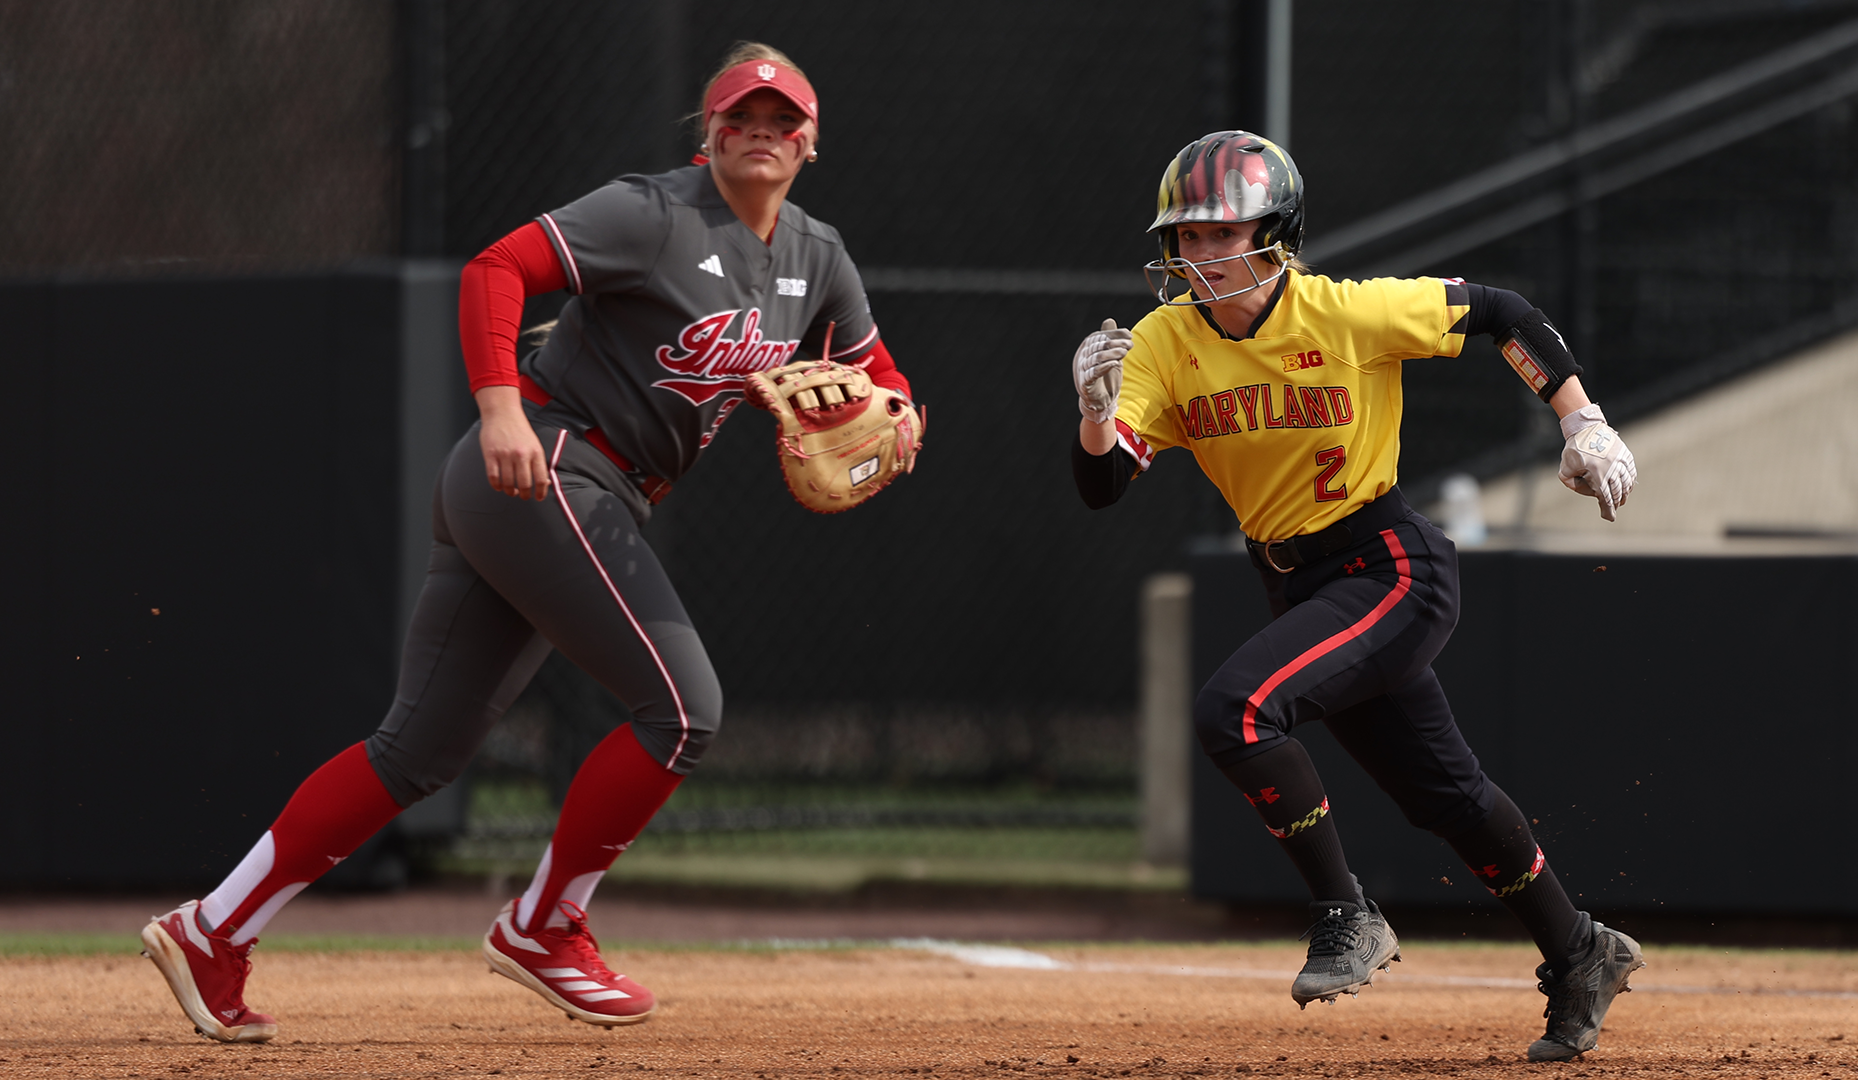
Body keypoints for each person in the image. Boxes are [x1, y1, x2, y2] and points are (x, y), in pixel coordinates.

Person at [140, 42, 918, 1042]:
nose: (760, 131)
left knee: (415, 750)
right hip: (545, 465)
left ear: (811, 142)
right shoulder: (654, 211)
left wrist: (899, 418)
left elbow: (882, 375)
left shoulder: (819, 255)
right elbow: (496, 268)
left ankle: (214, 927)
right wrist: (500, 408)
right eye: (739, 116)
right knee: (683, 709)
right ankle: (545, 928)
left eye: (782, 120)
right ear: (708, 130)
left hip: (578, 492)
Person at [1069, 131, 1640, 1063]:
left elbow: (1502, 312)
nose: (1203, 254)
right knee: (1448, 798)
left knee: (1237, 713)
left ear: (1279, 232)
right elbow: (1104, 485)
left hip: (1388, 564)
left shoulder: (1343, 314)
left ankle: (1346, 914)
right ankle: (1583, 951)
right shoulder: (1165, 343)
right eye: (1189, 238)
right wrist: (1095, 421)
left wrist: (1580, 418)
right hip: (1297, 580)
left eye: (1225, 233)